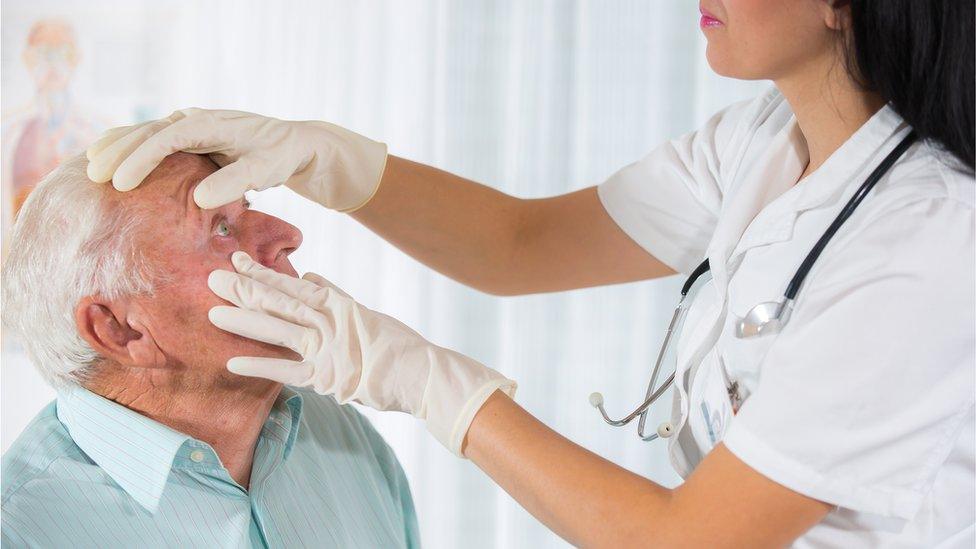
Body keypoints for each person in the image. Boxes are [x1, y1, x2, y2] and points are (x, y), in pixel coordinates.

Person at [86, 0, 974, 546]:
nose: (275, 239)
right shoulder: (761, 144)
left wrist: (425, 380)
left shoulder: (924, 247)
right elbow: (522, 244)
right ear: (113, 325)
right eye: (222, 227)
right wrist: (336, 162)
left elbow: (693, 542)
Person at [0, 153, 420, 548]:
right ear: (121, 329)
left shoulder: (341, 434)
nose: (287, 235)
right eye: (221, 227)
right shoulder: (20, 530)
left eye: (247, 208)